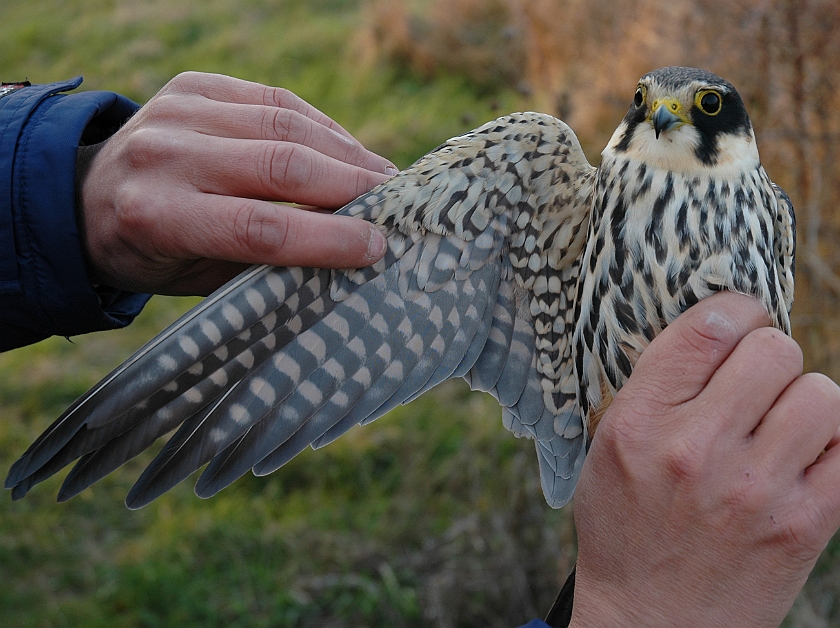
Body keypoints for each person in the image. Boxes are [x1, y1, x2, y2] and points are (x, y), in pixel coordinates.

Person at [2, 72, 840, 627]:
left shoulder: (765, 208)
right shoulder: (552, 182)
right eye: (650, 103)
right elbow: (384, 252)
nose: (665, 115)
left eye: (700, 110)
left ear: (734, 132)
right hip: (626, 482)